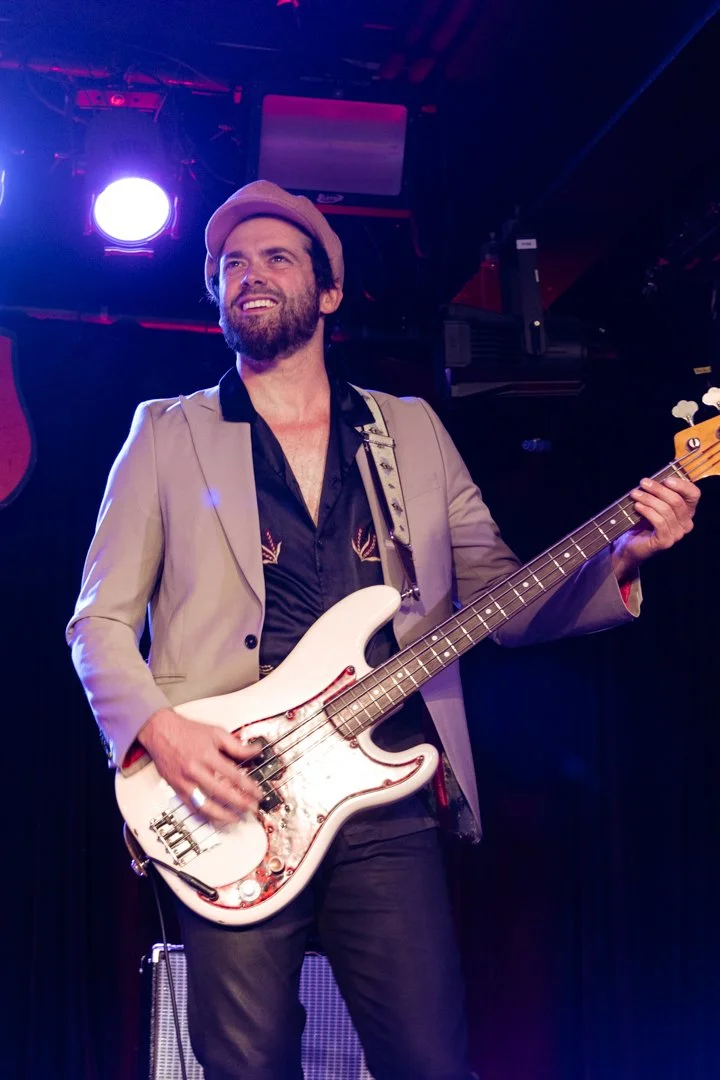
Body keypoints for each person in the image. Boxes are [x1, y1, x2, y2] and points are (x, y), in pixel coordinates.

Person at [67, 180, 700, 1080]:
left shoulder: (408, 430)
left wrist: (622, 558)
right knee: (245, 1067)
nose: (247, 275)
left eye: (276, 258)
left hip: (387, 792)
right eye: (229, 265)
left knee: (432, 1063)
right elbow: (98, 621)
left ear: (328, 293)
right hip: (226, 794)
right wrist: (159, 733)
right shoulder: (166, 434)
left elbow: (498, 599)